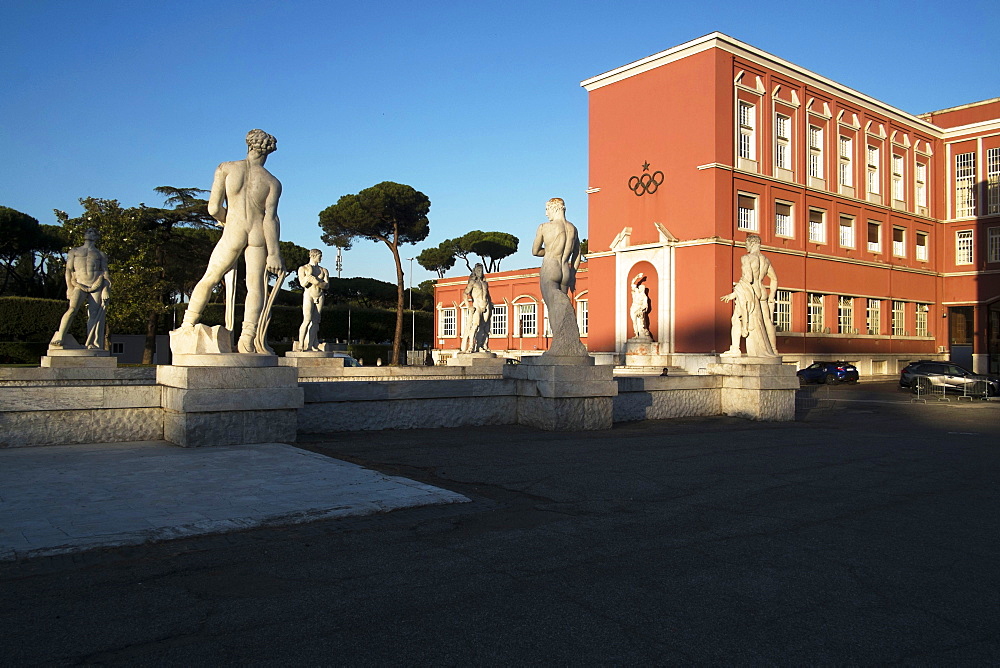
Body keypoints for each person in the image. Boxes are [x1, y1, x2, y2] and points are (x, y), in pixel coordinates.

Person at [180, 129, 285, 353]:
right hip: (257, 234)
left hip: (235, 230)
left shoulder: (226, 168)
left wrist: (227, 221)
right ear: (269, 152)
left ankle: (187, 324)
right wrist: (274, 253)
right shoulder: (272, 182)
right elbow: (270, 218)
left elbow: (213, 208)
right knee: (256, 287)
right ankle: (247, 338)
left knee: (210, 277)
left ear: (248, 146)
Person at [532, 198, 588, 357]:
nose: (546, 213)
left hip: (551, 268)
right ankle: (568, 347)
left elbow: (535, 251)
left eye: (547, 209)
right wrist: (573, 274)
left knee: (554, 309)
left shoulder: (545, 227)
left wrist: (549, 252)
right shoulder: (573, 229)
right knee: (563, 308)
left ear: (554, 208)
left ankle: (559, 346)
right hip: (566, 270)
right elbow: (577, 254)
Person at [51, 227, 110, 349]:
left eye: (92, 232)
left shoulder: (100, 254)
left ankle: (93, 343)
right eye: (88, 231)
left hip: (96, 285)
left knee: (94, 314)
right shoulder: (74, 251)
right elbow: (68, 269)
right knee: (72, 309)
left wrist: (105, 290)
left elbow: (105, 273)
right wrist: (69, 287)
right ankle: (60, 336)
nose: (89, 233)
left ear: (96, 237)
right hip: (79, 284)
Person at [720, 234, 778, 357]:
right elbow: (774, 279)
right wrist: (772, 296)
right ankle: (773, 349)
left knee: (736, 319)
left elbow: (748, 278)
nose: (745, 246)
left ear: (752, 243)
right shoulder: (766, 260)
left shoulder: (747, 258)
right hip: (762, 291)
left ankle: (735, 349)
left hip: (750, 292)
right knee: (767, 321)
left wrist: (735, 293)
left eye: (746, 243)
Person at [297, 249, 329, 351]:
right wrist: (309, 276)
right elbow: (303, 283)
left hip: (319, 295)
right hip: (308, 295)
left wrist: (317, 282)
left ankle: (311, 345)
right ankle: (301, 345)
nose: (321, 258)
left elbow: (326, 285)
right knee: (307, 320)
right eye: (320, 256)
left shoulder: (324, 270)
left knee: (316, 321)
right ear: (313, 256)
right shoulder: (303, 268)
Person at [462, 263, 492, 353]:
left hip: (486, 305)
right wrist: (468, 306)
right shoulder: (472, 282)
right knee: (475, 325)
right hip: (477, 305)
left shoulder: (485, 283)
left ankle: (482, 345)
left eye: (481, 270)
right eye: (478, 270)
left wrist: (490, 303)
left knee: (485, 327)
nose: (480, 272)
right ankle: (471, 346)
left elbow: (488, 295)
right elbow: (465, 293)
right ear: (475, 271)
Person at [630, 273, 651, 339]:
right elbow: (632, 283)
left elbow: (645, 305)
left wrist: (641, 310)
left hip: (639, 309)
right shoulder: (635, 292)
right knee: (634, 322)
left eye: (642, 288)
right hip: (633, 308)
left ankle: (642, 334)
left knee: (641, 322)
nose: (640, 288)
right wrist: (637, 277)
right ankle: (636, 334)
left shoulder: (644, 297)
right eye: (640, 287)